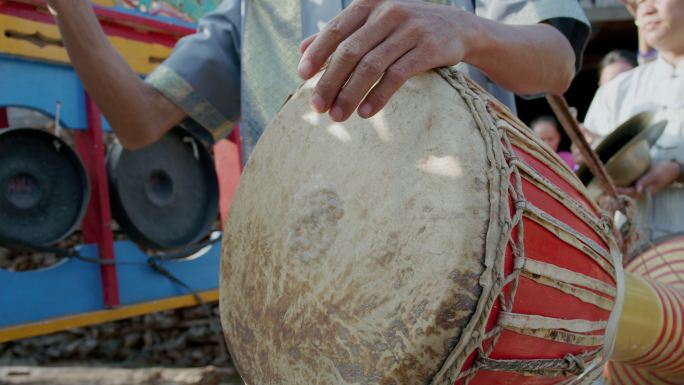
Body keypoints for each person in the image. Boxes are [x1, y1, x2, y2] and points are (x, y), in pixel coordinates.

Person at [43, 0, 589, 160]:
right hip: (315, 288)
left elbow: (558, 60)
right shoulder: (251, 12)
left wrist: (468, 30)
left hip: (474, 268)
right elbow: (141, 124)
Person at [584, 0, 684, 242]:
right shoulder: (616, 90)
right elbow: (588, 185)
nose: (647, 9)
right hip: (632, 261)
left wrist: (679, 171)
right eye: (638, 3)